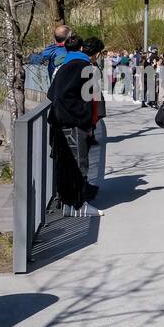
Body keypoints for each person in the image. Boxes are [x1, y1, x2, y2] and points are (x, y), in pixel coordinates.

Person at [47, 33, 103, 217]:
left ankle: (68, 203)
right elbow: (91, 100)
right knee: (80, 164)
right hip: (76, 124)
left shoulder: (63, 66)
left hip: (59, 122)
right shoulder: (86, 68)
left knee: (65, 165)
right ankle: (80, 205)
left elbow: (51, 94)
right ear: (82, 49)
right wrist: (86, 123)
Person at [83, 36, 110, 192]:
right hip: (88, 110)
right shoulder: (89, 67)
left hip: (89, 110)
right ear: (96, 53)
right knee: (82, 154)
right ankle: (83, 188)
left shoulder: (86, 65)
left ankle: (84, 185)